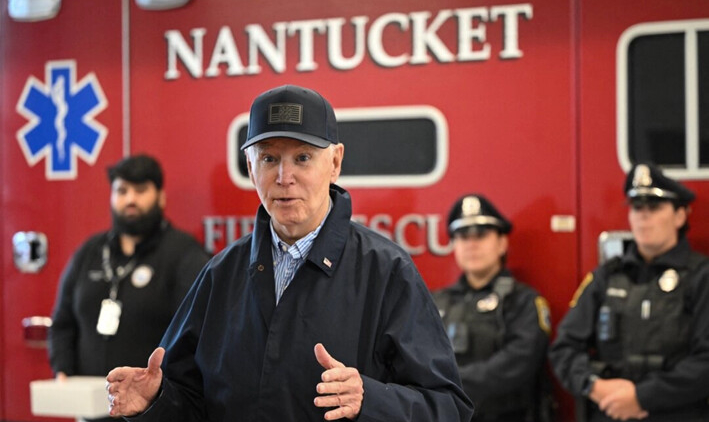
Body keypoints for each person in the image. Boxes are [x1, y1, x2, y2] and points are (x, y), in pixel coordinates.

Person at [105, 85, 474, 422]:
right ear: (250, 167)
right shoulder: (220, 274)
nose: (284, 177)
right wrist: (156, 402)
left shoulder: (387, 271)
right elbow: (193, 402)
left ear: (335, 163)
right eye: (268, 158)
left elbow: (449, 408)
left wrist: (371, 399)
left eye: (302, 157)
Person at [48, 154, 210, 422]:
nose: (130, 200)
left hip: (153, 412)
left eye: (141, 190)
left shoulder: (185, 255)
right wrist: (63, 370)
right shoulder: (89, 252)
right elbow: (63, 323)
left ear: (160, 197)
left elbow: (199, 335)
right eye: (122, 190)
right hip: (90, 411)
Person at [549, 162, 709, 422]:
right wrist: (593, 386)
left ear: (680, 216)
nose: (643, 216)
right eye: (637, 208)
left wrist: (642, 397)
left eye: (654, 207)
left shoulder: (701, 277)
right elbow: (564, 348)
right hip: (610, 412)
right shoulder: (606, 277)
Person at [432, 194, 552, 422]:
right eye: (463, 236)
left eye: (481, 234)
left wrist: (451, 383)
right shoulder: (436, 302)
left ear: (501, 243)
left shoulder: (524, 301)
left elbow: (518, 364)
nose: (471, 244)